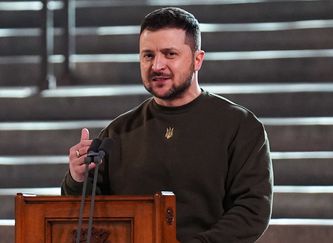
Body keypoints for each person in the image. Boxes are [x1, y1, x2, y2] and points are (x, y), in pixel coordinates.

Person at [61, 7, 273, 243]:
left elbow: (252, 210)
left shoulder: (240, 126)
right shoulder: (118, 131)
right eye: (148, 55)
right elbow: (85, 213)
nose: (157, 65)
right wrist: (77, 178)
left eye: (170, 54)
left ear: (197, 59)